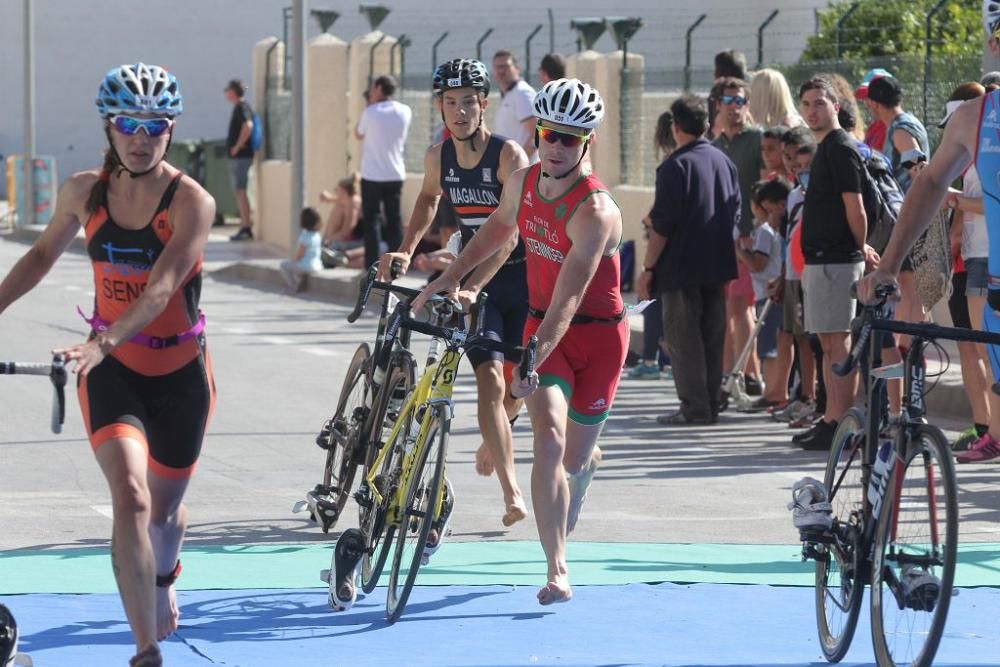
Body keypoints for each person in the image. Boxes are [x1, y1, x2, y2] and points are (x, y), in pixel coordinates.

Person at [0, 63, 215, 667]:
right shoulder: (84, 191)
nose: (141, 138)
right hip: (113, 373)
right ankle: (145, 649)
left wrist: (104, 339)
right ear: (110, 127)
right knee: (132, 497)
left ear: (170, 130)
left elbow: (161, 288)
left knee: (166, 514)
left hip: (179, 376)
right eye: (128, 124)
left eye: (155, 126)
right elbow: (41, 255)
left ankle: (165, 577)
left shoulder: (192, 201)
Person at [415, 78, 625, 605]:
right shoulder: (523, 182)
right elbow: (494, 232)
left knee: (574, 459)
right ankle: (558, 569)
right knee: (548, 443)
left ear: (587, 144)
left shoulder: (595, 212)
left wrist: (534, 353)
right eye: (550, 134)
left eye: (569, 139)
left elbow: (571, 298)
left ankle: (585, 467)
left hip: (594, 338)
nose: (555, 147)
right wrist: (448, 280)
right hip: (540, 327)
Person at [378, 59, 530, 528]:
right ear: (440, 108)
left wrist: (472, 284)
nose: (460, 111)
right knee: (490, 381)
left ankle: (496, 434)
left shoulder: (510, 158)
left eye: (469, 101)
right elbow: (427, 200)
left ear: (485, 104)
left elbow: (507, 234)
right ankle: (512, 492)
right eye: (450, 103)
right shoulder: (436, 157)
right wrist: (405, 249)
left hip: (521, 279)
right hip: (474, 283)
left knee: (522, 383)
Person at [637, 94, 740, 424]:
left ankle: (695, 408)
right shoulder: (725, 162)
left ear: (676, 127)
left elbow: (662, 226)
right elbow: (735, 212)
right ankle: (709, 402)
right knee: (712, 336)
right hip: (718, 263)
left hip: (680, 267)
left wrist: (648, 268)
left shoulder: (673, 166)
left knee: (684, 340)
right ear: (707, 125)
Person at [796, 75, 877, 451]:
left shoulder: (841, 147)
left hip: (838, 262)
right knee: (828, 345)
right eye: (807, 104)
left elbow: (855, 206)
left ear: (836, 107)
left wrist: (862, 248)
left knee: (839, 346)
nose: (813, 111)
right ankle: (831, 418)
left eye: (819, 103)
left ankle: (844, 425)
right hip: (820, 262)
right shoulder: (826, 148)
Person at [940, 80, 995, 452]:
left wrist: (956, 201)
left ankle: (992, 434)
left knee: (987, 349)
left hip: (988, 258)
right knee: (981, 349)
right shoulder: (974, 148)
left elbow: (989, 202)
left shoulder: (987, 147)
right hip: (976, 257)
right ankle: (988, 430)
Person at [713, 76, 765, 399]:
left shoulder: (758, 140)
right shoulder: (714, 145)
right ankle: (727, 376)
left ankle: (748, 375)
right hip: (718, 237)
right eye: (729, 101)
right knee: (724, 309)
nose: (735, 108)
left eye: (741, 101)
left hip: (748, 235)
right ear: (718, 105)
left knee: (741, 305)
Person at [630, 110, 677, 381]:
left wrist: (650, 221)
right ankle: (665, 358)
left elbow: (662, 209)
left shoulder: (669, 166)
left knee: (648, 297)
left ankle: (651, 358)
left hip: (665, 245)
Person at [738, 178, 791, 411]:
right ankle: (776, 391)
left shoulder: (764, 233)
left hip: (768, 295)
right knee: (772, 344)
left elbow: (757, 264)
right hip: (769, 292)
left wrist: (739, 251)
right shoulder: (770, 231)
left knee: (769, 347)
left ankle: (773, 392)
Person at [356, 74, 412, 270]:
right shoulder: (405, 111)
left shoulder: (370, 112)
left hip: (372, 175)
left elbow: (358, 133)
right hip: (395, 173)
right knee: (394, 220)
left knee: (371, 221)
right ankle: (395, 266)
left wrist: (369, 104)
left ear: (379, 88)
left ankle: (371, 267)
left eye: (373, 88)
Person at [224, 79, 256, 241]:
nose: (225, 92)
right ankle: (245, 225)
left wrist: (237, 146)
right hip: (241, 157)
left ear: (233, 91)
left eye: (227, 89)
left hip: (241, 157)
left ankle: (246, 226)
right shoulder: (240, 107)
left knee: (240, 190)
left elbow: (248, 126)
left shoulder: (242, 107)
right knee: (240, 190)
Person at [492, 50, 538, 162]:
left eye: (505, 66)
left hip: (523, 169)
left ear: (517, 68)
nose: (501, 70)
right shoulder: (509, 94)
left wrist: (520, 161)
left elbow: (538, 133)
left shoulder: (522, 93)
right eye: (497, 67)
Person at [280, 207, 324, 292]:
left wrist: (293, 260)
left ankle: (292, 285)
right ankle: (299, 283)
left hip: (306, 266)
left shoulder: (304, 236)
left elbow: (300, 254)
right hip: (318, 265)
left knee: (284, 266)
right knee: (297, 268)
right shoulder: (317, 235)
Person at [319, 173, 362, 251]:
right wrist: (328, 198)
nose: (335, 191)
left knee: (338, 209)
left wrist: (329, 239)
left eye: (337, 189)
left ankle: (325, 246)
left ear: (344, 191)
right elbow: (336, 199)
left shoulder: (353, 204)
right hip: (346, 239)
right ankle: (325, 244)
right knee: (338, 208)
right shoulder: (348, 199)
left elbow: (346, 232)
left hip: (358, 241)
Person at [855, 68, 893, 151]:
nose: (867, 102)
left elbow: (916, 162)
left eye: (872, 95)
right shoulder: (874, 126)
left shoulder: (900, 128)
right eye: (865, 96)